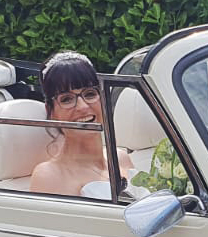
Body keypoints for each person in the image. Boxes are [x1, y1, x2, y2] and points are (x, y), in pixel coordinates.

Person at [29, 51, 135, 197]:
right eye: (66, 99)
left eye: (90, 94)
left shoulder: (120, 157)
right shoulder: (50, 176)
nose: (83, 106)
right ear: (51, 111)